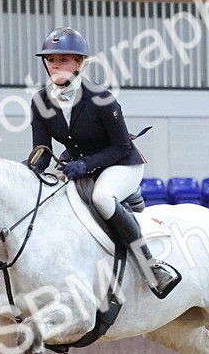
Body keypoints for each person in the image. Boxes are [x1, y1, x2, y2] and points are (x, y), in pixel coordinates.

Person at [27, 26, 180, 299]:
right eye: (51, 60)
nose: (55, 65)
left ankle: (151, 266)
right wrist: (29, 174)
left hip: (121, 163)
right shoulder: (40, 100)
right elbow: (42, 150)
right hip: (77, 166)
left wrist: (84, 165)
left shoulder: (102, 99)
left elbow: (121, 147)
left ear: (79, 63)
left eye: (63, 59)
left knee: (102, 198)